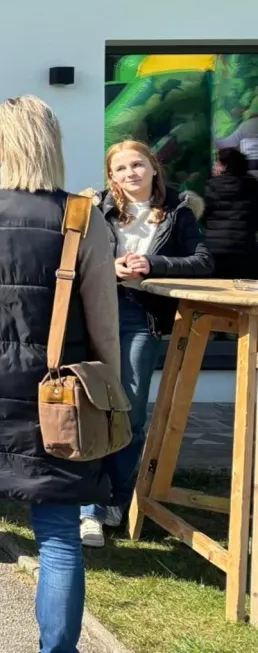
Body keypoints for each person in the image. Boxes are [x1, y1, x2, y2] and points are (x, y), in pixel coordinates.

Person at [0, 95, 120, 653]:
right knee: (59, 536)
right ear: (50, 143)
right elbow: (102, 322)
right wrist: (109, 385)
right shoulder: (81, 217)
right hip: (55, 397)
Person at [79, 140, 214, 548]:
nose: (130, 174)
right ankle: (87, 509)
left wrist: (152, 264)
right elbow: (72, 258)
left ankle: (115, 501)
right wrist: (110, 265)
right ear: (111, 177)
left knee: (130, 412)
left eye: (137, 164)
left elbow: (204, 262)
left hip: (142, 318)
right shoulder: (94, 208)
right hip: (96, 312)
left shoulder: (178, 211)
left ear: (154, 168)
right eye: (120, 169)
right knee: (91, 408)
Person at [204, 147, 258, 281]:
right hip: (244, 248)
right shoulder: (253, 185)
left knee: (215, 290)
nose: (215, 166)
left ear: (225, 165)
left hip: (214, 248)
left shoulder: (212, 185)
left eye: (218, 163)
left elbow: (204, 214)